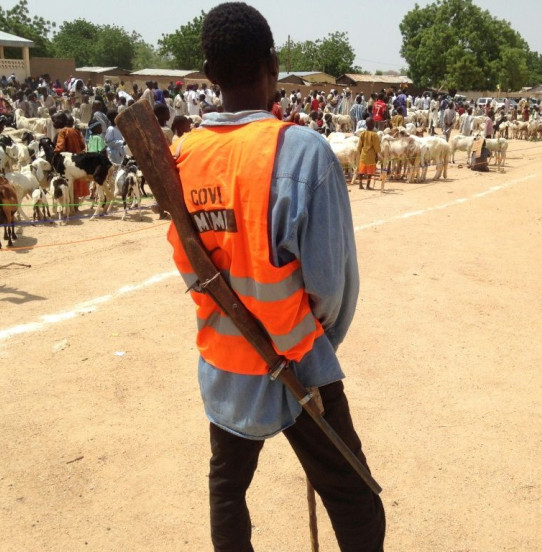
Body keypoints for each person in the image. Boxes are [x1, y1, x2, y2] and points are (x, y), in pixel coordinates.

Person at [166, 3, 385, 550]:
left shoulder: (182, 155)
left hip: (224, 360)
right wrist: (312, 338)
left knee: (227, 489)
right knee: (356, 498)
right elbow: (331, 286)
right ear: (273, 64)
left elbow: (189, 262)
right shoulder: (301, 150)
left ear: (210, 75)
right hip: (299, 364)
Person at [354, 117, 381, 190]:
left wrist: (359, 152)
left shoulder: (363, 134)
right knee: (370, 171)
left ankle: (360, 185)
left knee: (361, 170)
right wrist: (377, 155)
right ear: (373, 125)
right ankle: (368, 186)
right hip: (371, 155)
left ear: (366, 125)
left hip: (363, 154)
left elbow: (359, 145)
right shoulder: (374, 135)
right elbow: (377, 147)